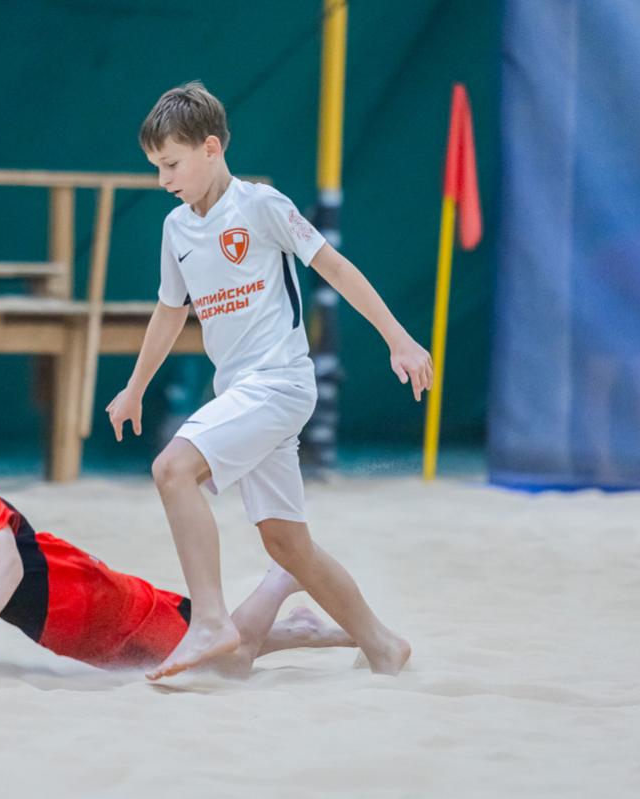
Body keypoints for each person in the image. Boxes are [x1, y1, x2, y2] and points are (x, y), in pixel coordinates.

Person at [106, 82, 433, 680]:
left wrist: (399, 338)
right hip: (241, 396)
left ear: (211, 148)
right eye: (156, 167)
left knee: (172, 468)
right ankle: (383, 644)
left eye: (171, 164)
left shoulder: (261, 205)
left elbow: (335, 267)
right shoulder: (176, 228)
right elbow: (170, 312)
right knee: (287, 544)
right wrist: (134, 387)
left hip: (279, 383)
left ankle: (210, 620)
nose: (162, 179)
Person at [0, 419, 356, 675]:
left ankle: (280, 579)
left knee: (225, 665)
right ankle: (301, 629)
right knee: (199, 662)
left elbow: (9, 565)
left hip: (107, 601)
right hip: (70, 637)